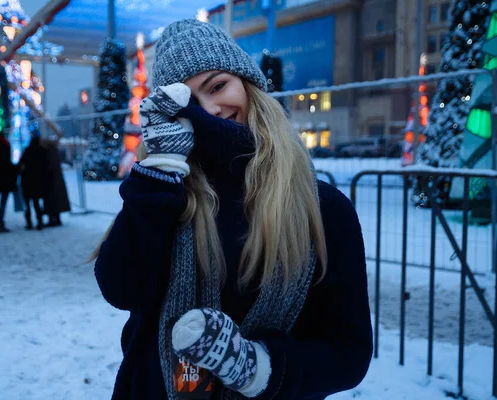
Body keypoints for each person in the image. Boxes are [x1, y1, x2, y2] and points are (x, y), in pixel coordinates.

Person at [92, 20, 372, 400]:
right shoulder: (162, 189)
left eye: (218, 85)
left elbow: (349, 351)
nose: (210, 110)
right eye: (187, 102)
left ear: (248, 84)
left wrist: (257, 367)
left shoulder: (323, 208)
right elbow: (121, 288)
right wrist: (158, 174)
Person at [19, 136, 50, 230]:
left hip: (27, 180)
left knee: (27, 204)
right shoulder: (43, 151)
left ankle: (29, 222)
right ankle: (39, 220)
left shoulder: (27, 151)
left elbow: (21, 164)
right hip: (39, 181)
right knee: (36, 202)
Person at [42, 139, 70, 227]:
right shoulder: (54, 154)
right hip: (55, 182)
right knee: (56, 201)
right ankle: (56, 218)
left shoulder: (48, 154)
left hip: (49, 182)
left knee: (51, 201)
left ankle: (52, 219)